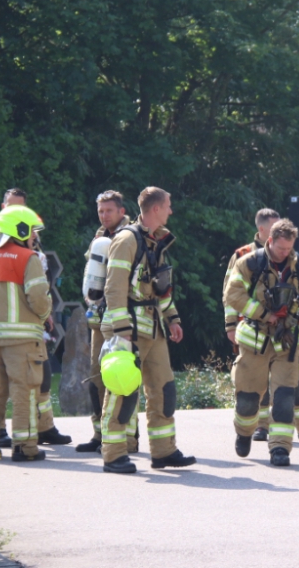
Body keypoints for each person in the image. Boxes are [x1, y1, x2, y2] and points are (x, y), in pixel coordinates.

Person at [99, 187, 194, 474]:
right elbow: (113, 286)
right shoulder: (127, 239)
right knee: (122, 392)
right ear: (155, 209)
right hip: (129, 329)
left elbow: (161, 288)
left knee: (164, 390)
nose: (171, 211)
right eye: (168, 206)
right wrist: (122, 329)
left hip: (153, 329)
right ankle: (113, 455)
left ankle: (163, 452)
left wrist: (173, 320)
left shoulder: (155, 242)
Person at [225, 218, 299, 467]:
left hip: (288, 343)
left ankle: (280, 449)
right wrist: (264, 314)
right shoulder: (248, 263)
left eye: (290, 248)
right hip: (255, 343)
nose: (286, 253)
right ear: (269, 241)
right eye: (281, 248)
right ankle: (244, 432)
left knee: (285, 396)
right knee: (248, 400)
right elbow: (233, 294)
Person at [0, 188, 71, 448]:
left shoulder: (0, 249)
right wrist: (43, 313)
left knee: (24, 381)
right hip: (21, 330)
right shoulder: (7, 247)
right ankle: (18, 443)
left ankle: (40, 427)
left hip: (3, 331)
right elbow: (35, 294)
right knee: (19, 387)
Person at [0, 205, 52, 461]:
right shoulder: (29, 258)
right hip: (23, 340)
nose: (33, 237)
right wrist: (42, 316)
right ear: (21, 229)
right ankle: (24, 448)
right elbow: (38, 298)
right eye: (32, 232)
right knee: (24, 391)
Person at [75, 190, 133, 453]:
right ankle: (99, 434)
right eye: (100, 211)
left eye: (109, 210)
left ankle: (126, 437)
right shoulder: (99, 238)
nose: (104, 215)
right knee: (96, 376)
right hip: (99, 318)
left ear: (122, 211)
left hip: (121, 317)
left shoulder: (131, 236)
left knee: (120, 376)